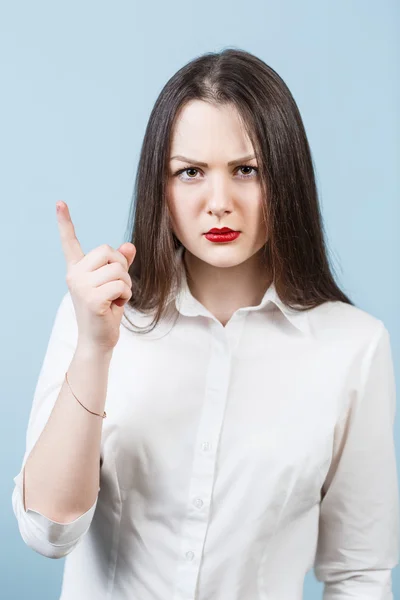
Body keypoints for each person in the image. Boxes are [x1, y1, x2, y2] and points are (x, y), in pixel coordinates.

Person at [12, 48, 399, 600]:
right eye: (190, 172)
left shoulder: (354, 347)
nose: (219, 203)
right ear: (160, 186)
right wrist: (94, 350)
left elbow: (358, 574)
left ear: (286, 178)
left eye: (247, 170)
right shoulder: (94, 317)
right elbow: (46, 531)